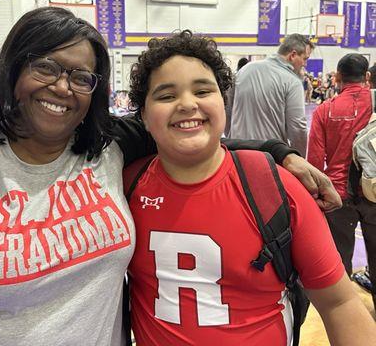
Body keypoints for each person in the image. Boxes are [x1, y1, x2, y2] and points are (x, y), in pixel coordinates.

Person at [0, 8, 341, 346]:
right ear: (12, 70)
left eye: (82, 77)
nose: (63, 87)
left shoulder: (107, 147)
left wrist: (279, 154)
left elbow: (186, 130)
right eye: (46, 67)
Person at [126, 31, 375, 346]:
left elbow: (339, 302)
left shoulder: (276, 188)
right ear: (144, 117)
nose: (188, 103)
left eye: (203, 90)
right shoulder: (127, 187)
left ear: (224, 103)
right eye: (166, 95)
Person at [308, 53, 376, 311]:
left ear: (337, 77)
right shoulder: (375, 105)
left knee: (339, 264)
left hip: (338, 196)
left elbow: (314, 161)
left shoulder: (325, 110)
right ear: (366, 76)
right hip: (374, 192)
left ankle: (349, 322)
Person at [228, 34, 312, 156]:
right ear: (293, 55)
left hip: (237, 154)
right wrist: (299, 159)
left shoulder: (244, 70)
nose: (305, 64)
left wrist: (233, 137)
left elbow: (227, 109)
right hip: (270, 157)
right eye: (305, 58)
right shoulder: (292, 81)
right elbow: (298, 128)